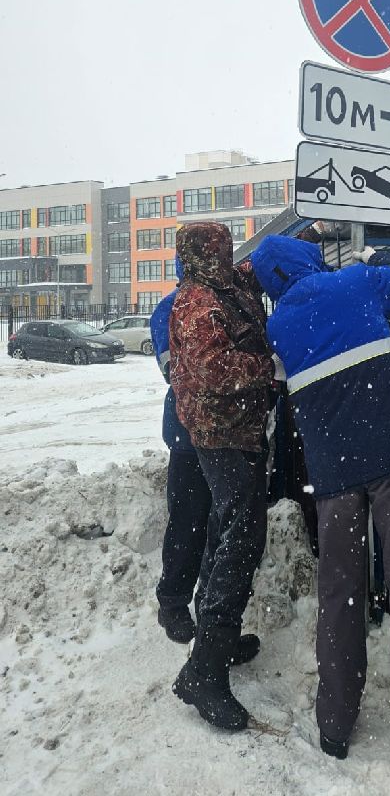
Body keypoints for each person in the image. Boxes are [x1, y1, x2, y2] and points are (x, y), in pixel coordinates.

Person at [250, 235, 390, 768]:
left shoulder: (276, 328)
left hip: (335, 474)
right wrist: (377, 260)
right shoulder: (353, 282)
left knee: (339, 589)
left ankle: (335, 723)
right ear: (309, 260)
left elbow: (283, 377)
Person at [170, 222, 277, 732]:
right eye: (214, 251)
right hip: (219, 435)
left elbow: (256, 271)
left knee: (226, 526)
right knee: (242, 536)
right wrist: (267, 367)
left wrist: (308, 240)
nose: (224, 257)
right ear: (196, 257)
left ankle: (215, 638)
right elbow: (214, 371)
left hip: (243, 431)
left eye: (227, 249)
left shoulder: (227, 285)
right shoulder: (195, 303)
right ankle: (205, 670)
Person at [150, 261, 212, 645]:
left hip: (226, 437)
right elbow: (178, 371)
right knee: (188, 522)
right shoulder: (170, 308)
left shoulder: (225, 300)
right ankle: (173, 603)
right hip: (189, 437)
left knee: (218, 527)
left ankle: (212, 616)